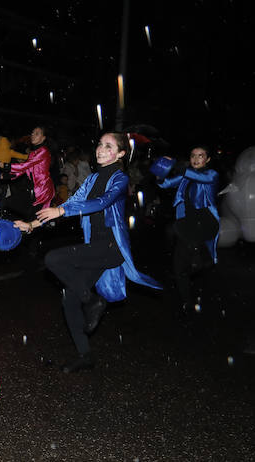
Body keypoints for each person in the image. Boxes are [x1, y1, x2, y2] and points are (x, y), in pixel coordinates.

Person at [26, 132, 161, 373]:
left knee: (53, 258)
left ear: (120, 154)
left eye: (108, 146)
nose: (100, 149)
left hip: (110, 247)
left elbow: (101, 202)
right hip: (96, 247)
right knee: (69, 299)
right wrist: (32, 225)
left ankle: (93, 300)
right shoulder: (92, 179)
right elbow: (71, 203)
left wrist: (62, 213)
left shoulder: (120, 179)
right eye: (99, 144)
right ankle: (85, 355)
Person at [157, 146, 219, 313]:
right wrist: (160, 172)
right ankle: (188, 301)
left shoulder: (211, 174)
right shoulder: (186, 176)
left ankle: (200, 257)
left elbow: (198, 176)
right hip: (187, 224)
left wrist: (180, 168)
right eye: (193, 155)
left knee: (177, 232)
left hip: (204, 221)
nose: (196, 158)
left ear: (208, 159)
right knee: (178, 267)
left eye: (201, 155)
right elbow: (165, 184)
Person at [8, 126, 56, 216]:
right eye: (32, 133)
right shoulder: (33, 153)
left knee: (38, 220)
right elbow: (24, 170)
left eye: (37, 134)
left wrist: (6, 166)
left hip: (43, 191)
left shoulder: (43, 151)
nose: (33, 135)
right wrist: (4, 176)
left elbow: (25, 165)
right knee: (10, 204)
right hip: (34, 190)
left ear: (43, 138)